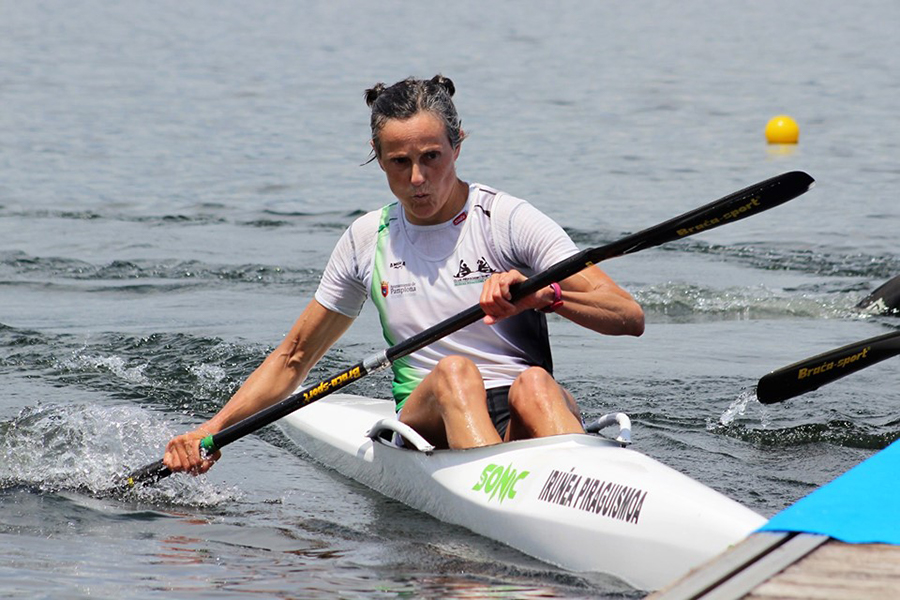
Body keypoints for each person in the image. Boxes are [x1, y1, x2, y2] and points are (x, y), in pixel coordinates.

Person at [163, 75, 644, 475]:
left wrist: (545, 296)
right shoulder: (367, 239)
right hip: (429, 412)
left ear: (457, 146)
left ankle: (594, 489)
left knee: (536, 383)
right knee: (456, 373)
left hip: (522, 409)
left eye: (431, 156)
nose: (417, 179)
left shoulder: (508, 221)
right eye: (399, 162)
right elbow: (294, 358)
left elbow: (628, 315)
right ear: (378, 155)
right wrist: (212, 430)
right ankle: (489, 492)